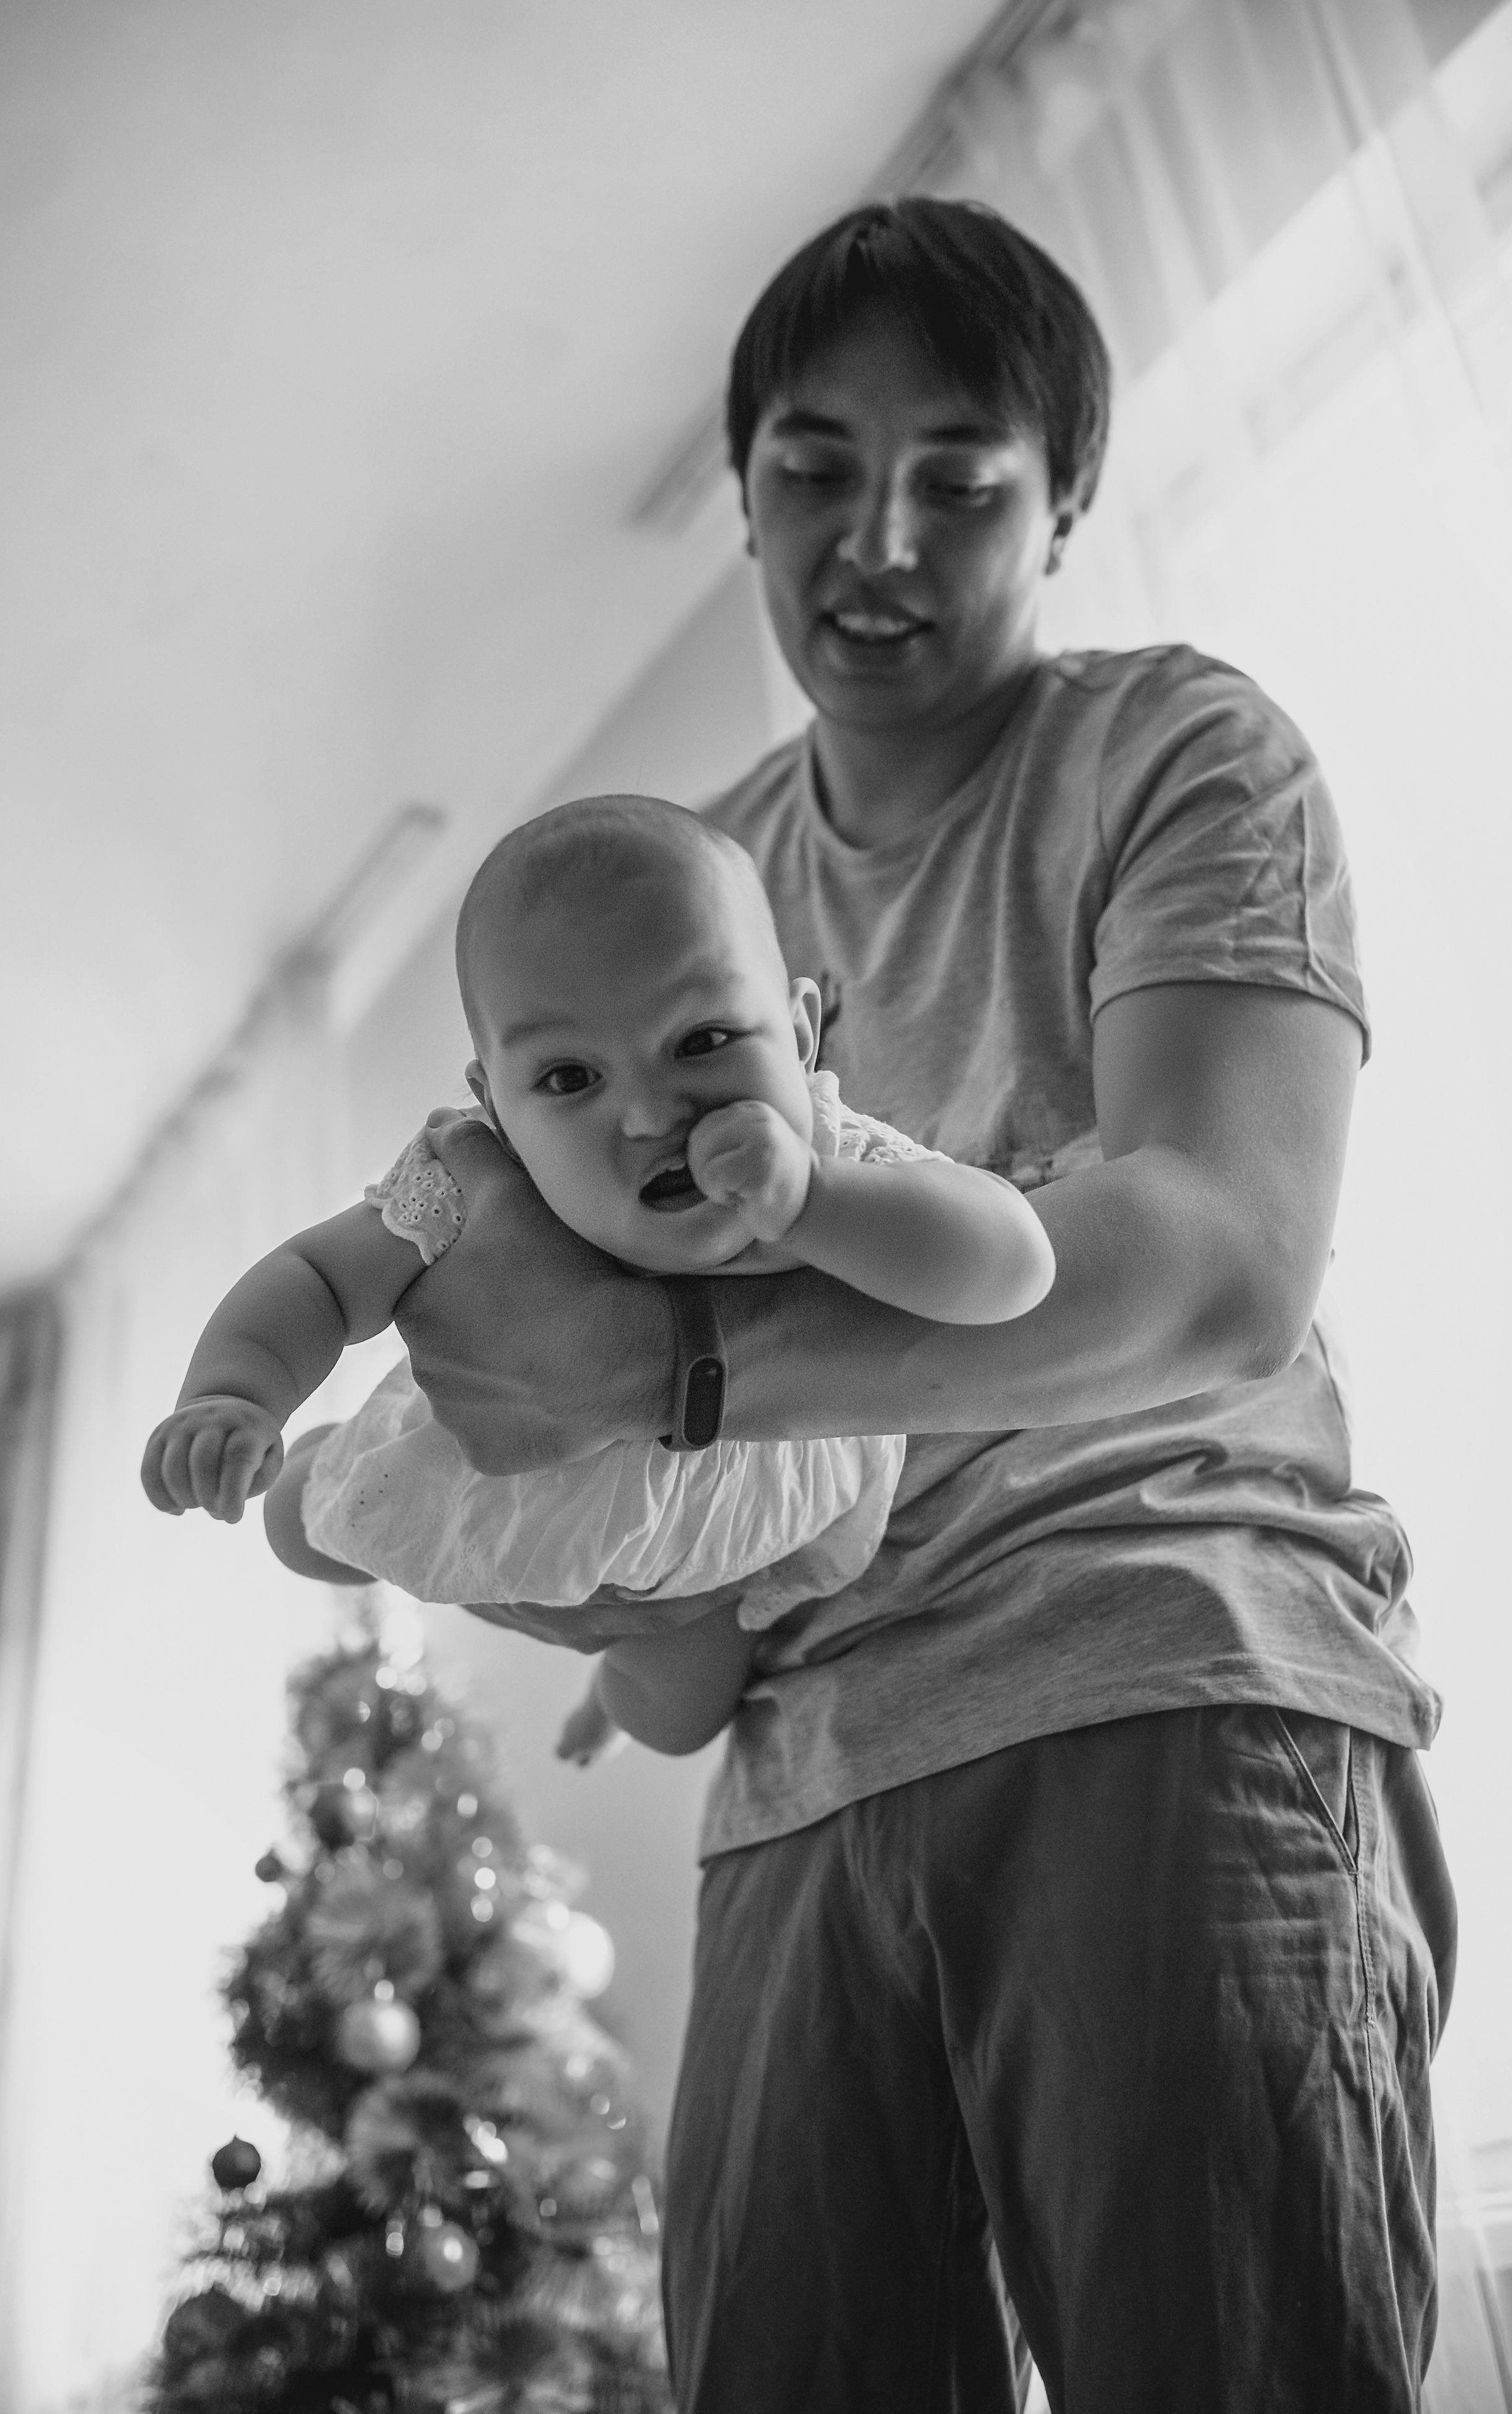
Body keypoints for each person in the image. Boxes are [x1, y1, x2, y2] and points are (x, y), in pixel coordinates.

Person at [377, 199, 1458, 2411]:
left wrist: (680, 1378)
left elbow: (1219, 1267)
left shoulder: (1179, 756)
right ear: (746, 487)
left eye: (963, 480)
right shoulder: (670, 884)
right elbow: (551, 1341)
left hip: (1160, 1665)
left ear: (1062, 504)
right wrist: (562, 1529)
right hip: (799, 1766)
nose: (878, 539)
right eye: (811, 469)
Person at [140, 793, 1052, 1753]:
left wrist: (813, 1206)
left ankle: (606, 1704)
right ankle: (325, 1460)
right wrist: (237, 1394)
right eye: (572, 1079)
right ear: (495, 1105)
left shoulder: (834, 1156)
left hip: (716, 1556)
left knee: (676, 1719)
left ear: (799, 1034)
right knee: (299, 1526)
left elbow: (1015, 1268)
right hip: (494, 1487)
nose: (653, 1113)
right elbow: (318, 1276)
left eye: (701, 1041)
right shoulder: (477, 1180)